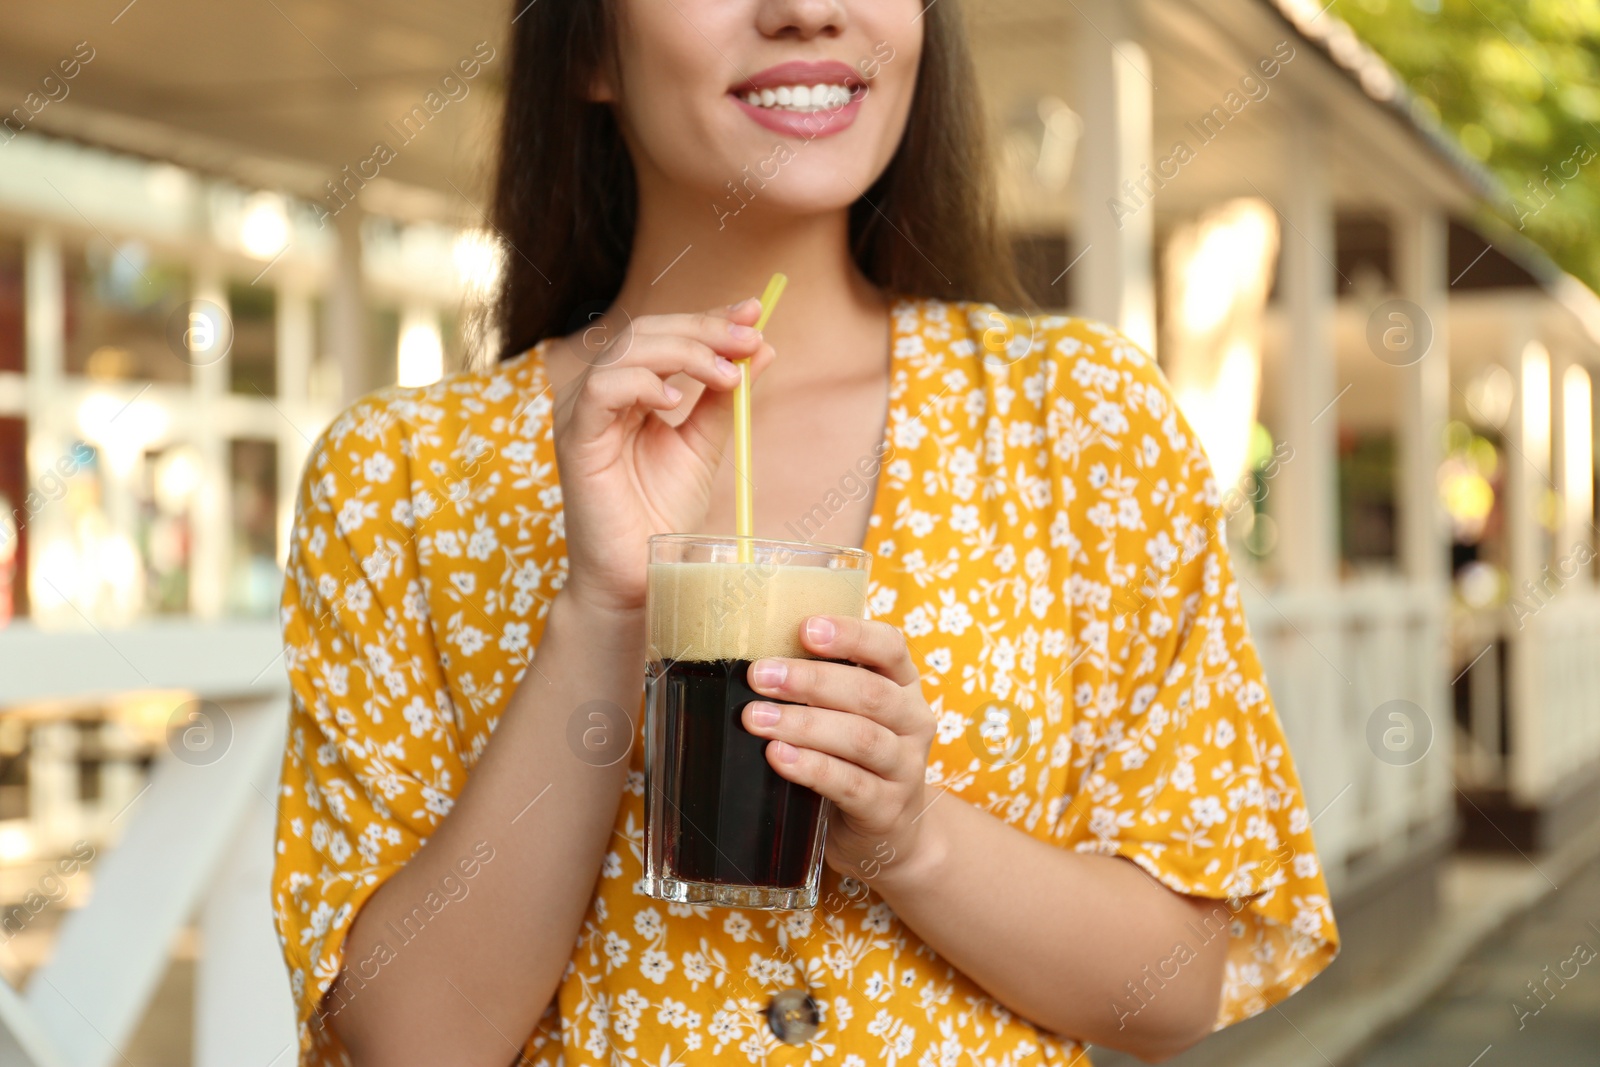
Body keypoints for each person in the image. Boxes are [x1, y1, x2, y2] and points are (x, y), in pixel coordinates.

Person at [271, 2, 1339, 1065]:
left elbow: (1172, 990)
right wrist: (601, 615)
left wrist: (915, 840)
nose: (808, 10)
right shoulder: (399, 478)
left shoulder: (1079, 419)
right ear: (590, 44)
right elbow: (412, 1044)